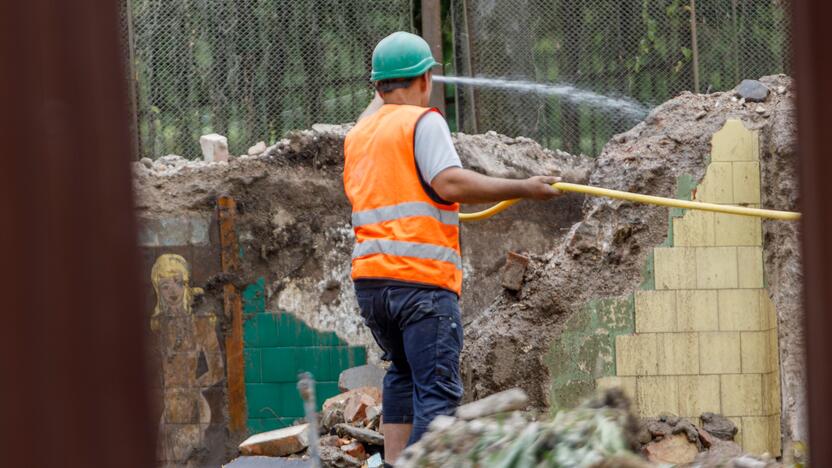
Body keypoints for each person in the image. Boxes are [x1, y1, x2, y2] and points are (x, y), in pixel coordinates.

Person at [343, 31, 562, 465]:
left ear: (377, 86)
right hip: (420, 285)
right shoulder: (423, 122)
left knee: (402, 375)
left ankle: (392, 464)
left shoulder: (360, 136)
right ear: (425, 79)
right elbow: (448, 181)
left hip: (372, 286)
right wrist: (524, 187)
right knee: (437, 391)